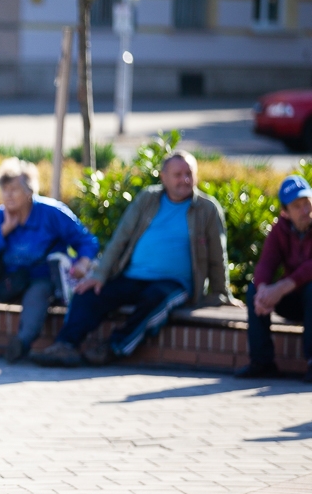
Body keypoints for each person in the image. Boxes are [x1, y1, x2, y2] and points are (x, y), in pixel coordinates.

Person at [31, 150, 231, 367]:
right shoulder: (147, 199)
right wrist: (99, 276)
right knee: (88, 293)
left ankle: (114, 348)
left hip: (176, 284)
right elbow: (120, 239)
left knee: (155, 300)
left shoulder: (207, 209)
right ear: (163, 177)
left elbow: (217, 255)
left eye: (189, 174)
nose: (185, 180)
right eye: (178, 174)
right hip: (133, 276)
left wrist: (222, 292)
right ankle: (65, 345)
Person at [0, 157, 98, 362]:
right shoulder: (0, 216)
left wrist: (83, 262)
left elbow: (86, 240)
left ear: (29, 191)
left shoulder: (52, 212)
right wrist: (4, 230)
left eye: (14, 189)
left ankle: (22, 343)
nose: (8, 195)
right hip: (8, 278)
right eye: (4, 190)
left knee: (38, 294)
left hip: (41, 278)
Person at [236, 175, 312, 381]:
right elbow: (266, 264)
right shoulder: (280, 229)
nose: (305, 210)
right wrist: (263, 291)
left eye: (307, 202)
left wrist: (283, 286)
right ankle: (262, 363)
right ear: (285, 212)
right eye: (297, 206)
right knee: (253, 291)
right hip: (295, 299)